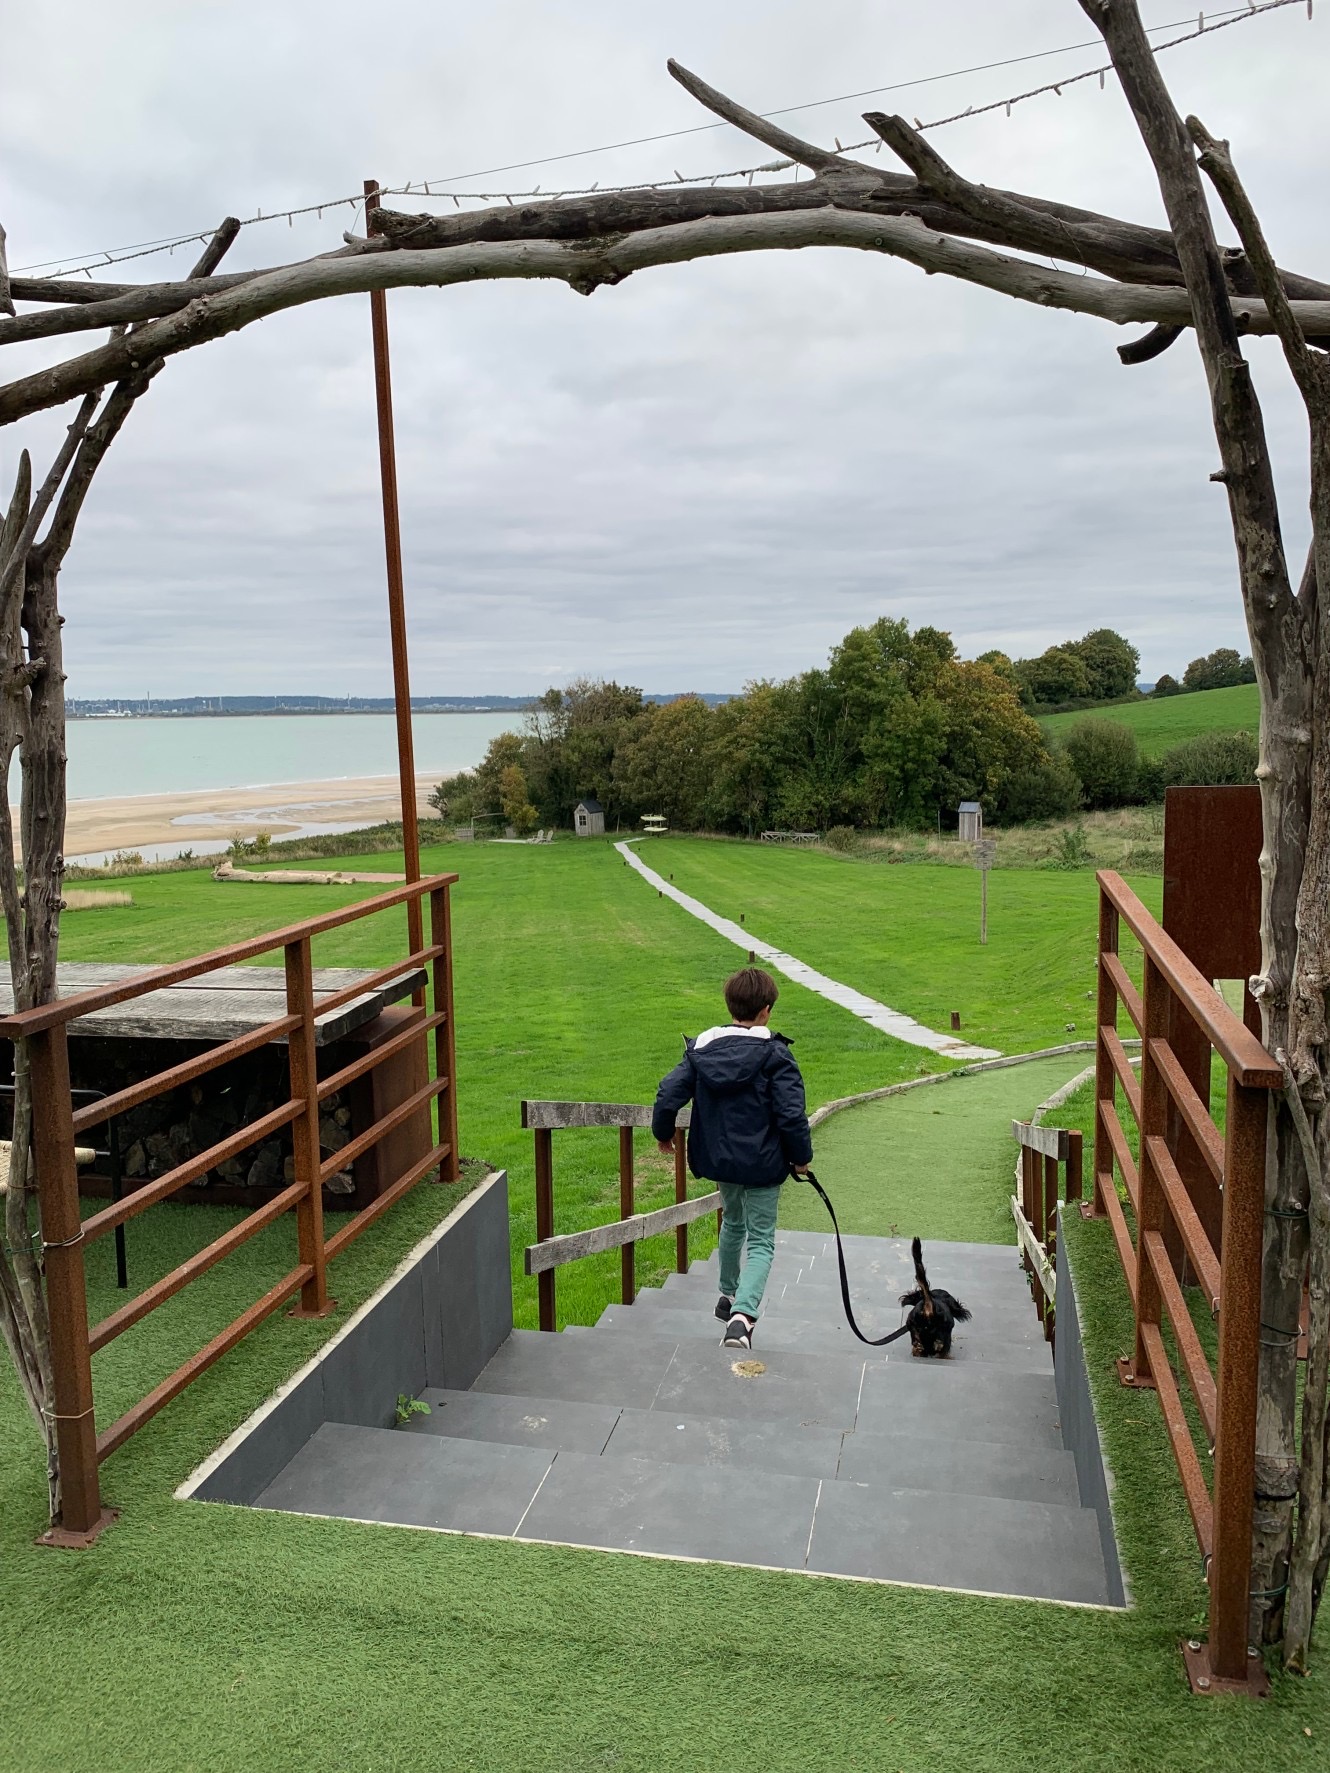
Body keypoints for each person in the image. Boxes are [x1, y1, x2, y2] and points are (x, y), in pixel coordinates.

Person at [652, 965, 812, 1352]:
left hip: (720, 1160)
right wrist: (801, 1159)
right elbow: (791, 1115)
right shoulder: (776, 1054)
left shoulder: (701, 1052)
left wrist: (663, 1132)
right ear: (766, 1011)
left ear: (730, 1006)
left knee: (733, 1222)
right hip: (763, 1163)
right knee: (760, 1240)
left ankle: (727, 1294)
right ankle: (742, 1317)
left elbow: (668, 1091)